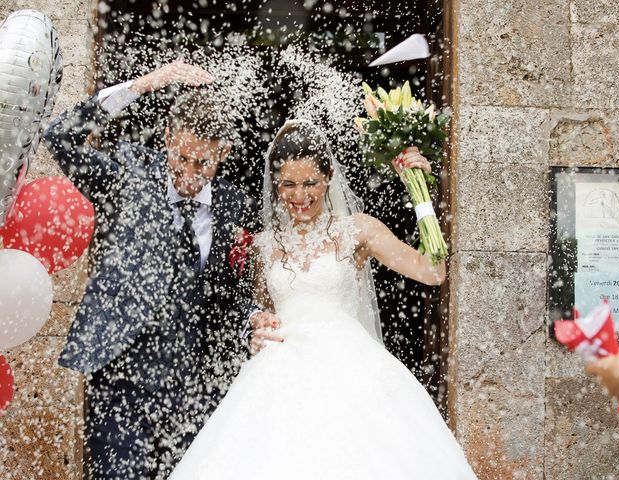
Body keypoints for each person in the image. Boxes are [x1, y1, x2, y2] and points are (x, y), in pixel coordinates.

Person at [169, 120, 477, 479]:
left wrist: (420, 192)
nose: (300, 196)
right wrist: (255, 326)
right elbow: (256, 311)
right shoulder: (263, 245)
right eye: (289, 185)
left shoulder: (357, 230)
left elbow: (432, 272)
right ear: (276, 183)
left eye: (310, 183)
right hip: (279, 379)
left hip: (352, 370)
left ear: (328, 175)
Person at [43, 60, 264, 479]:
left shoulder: (235, 206)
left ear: (225, 154)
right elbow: (60, 137)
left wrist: (251, 317)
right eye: (181, 157)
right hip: (120, 376)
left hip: (193, 386)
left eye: (204, 164)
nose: (189, 174)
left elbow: (223, 294)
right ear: (165, 138)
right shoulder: (128, 173)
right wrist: (144, 84)